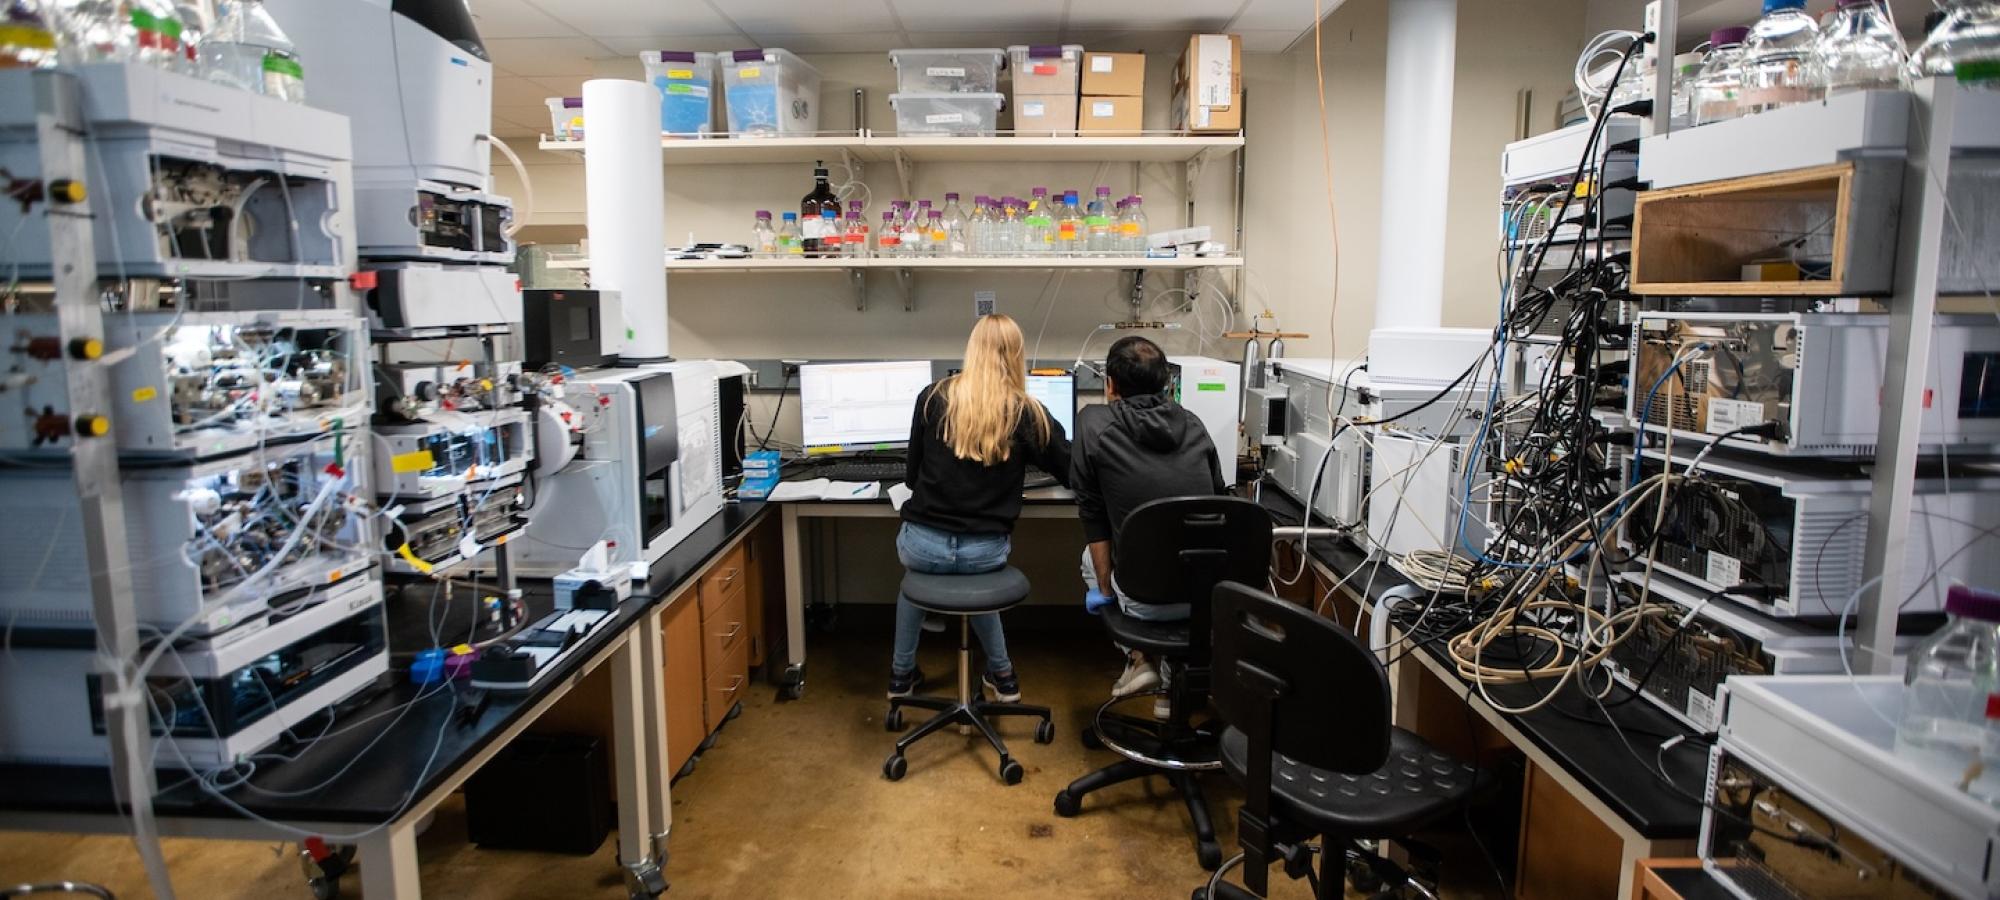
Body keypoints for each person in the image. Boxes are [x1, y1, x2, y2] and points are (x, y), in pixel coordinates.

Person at [889, 314, 1071, 703]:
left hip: (923, 547)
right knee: (978, 579)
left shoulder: (933, 397)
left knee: (915, 582)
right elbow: (1071, 471)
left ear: (972, 349)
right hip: (984, 553)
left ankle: (900, 677)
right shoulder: (1026, 411)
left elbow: (911, 478)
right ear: (1017, 355)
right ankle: (1003, 676)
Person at [1070, 336, 1227, 703]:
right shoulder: (1194, 424)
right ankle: (1171, 687)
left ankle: (1138, 658)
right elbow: (1219, 499)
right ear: (1166, 383)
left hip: (1142, 598)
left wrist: (1105, 591)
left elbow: (1092, 514)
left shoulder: (1092, 423)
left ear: (1110, 385)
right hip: (1207, 596)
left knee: (1090, 556)